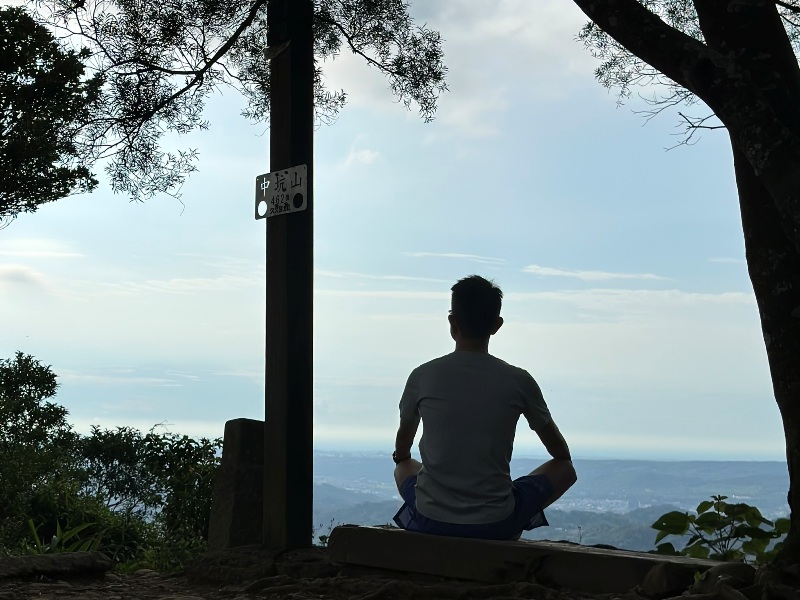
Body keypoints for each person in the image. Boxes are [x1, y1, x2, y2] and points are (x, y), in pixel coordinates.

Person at [392, 275, 576, 540]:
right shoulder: (519, 380)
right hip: (495, 521)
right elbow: (560, 453)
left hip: (430, 518)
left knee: (403, 466)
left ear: (452, 321)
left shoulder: (422, 376)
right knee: (565, 469)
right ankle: (509, 528)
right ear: (497, 325)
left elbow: (403, 447)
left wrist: (402, 458)